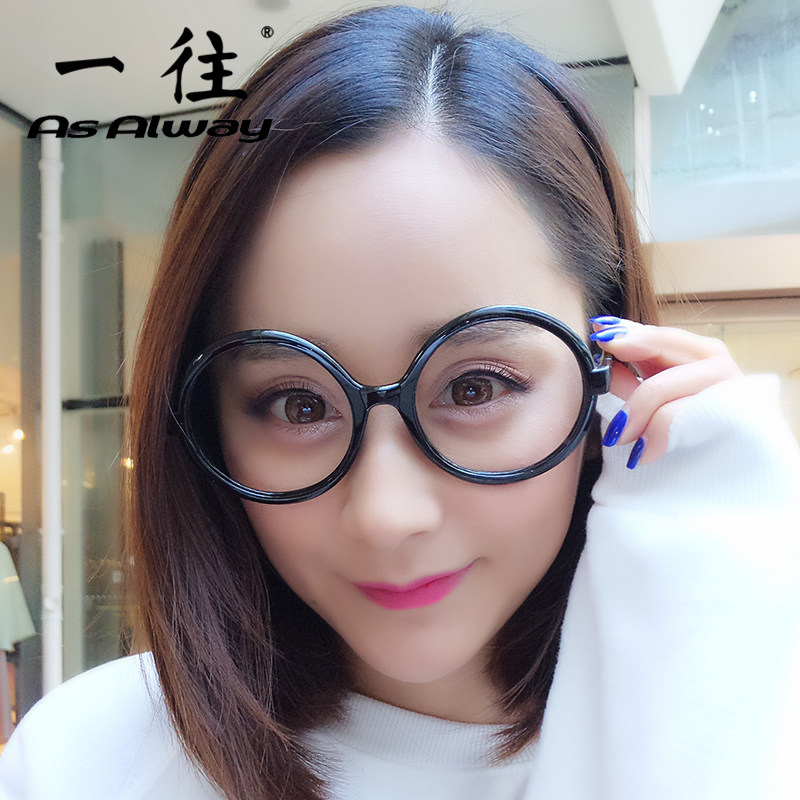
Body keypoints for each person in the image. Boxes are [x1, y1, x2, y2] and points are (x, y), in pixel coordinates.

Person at [1, 5, 799, 799]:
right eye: (297, 405)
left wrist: (713, 591)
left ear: (607, 371)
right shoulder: (87, 762)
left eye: (475, 387)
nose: (386, 515)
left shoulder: (752, 733)